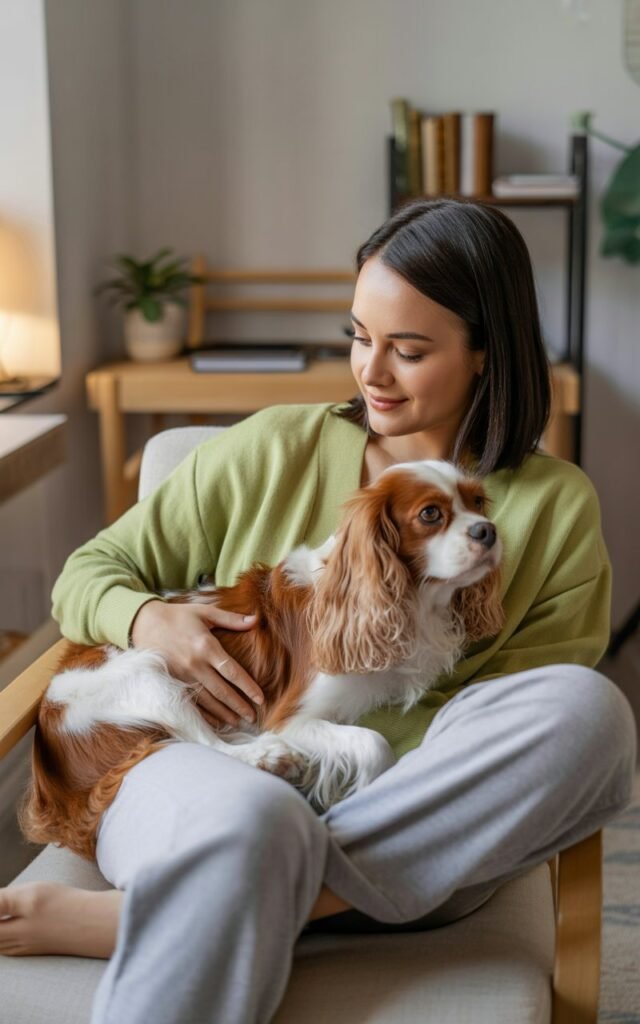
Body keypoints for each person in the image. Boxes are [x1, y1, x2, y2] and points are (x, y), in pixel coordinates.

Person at [0, 198, 636, 1024]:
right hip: (201, 779)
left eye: (408, 350)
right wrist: (151, 621)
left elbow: (506, 722)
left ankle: (167, 915)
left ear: (486, 353)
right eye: (359, 336)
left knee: (593, 713)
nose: (370, 372)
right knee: (258, 817)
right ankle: (235, 891)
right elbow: (86, 575)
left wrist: (341, 743)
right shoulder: (271, 447)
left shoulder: (555, 507)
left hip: (410, 824)